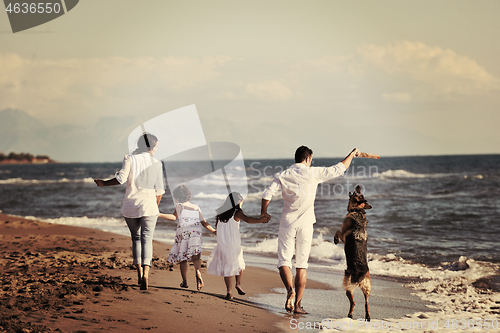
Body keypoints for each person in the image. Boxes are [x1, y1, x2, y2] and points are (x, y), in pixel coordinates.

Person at [260, 146, 360, 313]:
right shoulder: (313, 172)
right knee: (301, 265)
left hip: (287, 222)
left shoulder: (283, 175)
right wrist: (352, 154)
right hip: (306, 224)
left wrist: (264, 212)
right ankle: (298, 305)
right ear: (307, 159)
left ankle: (289, 290)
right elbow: (339, 168)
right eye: (311, 159)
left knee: (284, 261)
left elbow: (267, 194)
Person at [94, 133, 164, 290]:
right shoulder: (157, 163)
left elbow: (121, 179)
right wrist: (155, 207)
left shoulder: (129, 158)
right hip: (149, 205)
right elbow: (159, 190)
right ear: (152, 147)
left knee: (136, 239)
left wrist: (103, 184)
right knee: (147, 239)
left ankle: (138, 272)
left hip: (131, 205)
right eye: (156, 146)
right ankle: (146, 274)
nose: (156, 149)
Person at [207, 192, 269, 300]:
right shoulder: (237, 212)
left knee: (227, 269)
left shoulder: (220, 213)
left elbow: (217, 228)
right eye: (241, 201)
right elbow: (248, 219)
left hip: (222, 245)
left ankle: (229, 292)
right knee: (240, 265)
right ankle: (238, 284)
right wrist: (260, 220)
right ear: (237, 202)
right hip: (234, 244)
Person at [164, 185, 216, 291]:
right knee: (196, 258)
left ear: (177, 197)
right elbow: (204, 222)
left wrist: (159, 214)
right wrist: (214, 231)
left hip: (183, 234)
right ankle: (198, 273)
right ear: (189, 196)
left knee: (183, 258)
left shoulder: (179, 206)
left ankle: (185, 281)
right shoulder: (196, 207)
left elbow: (174, 217)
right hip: (196, 234)